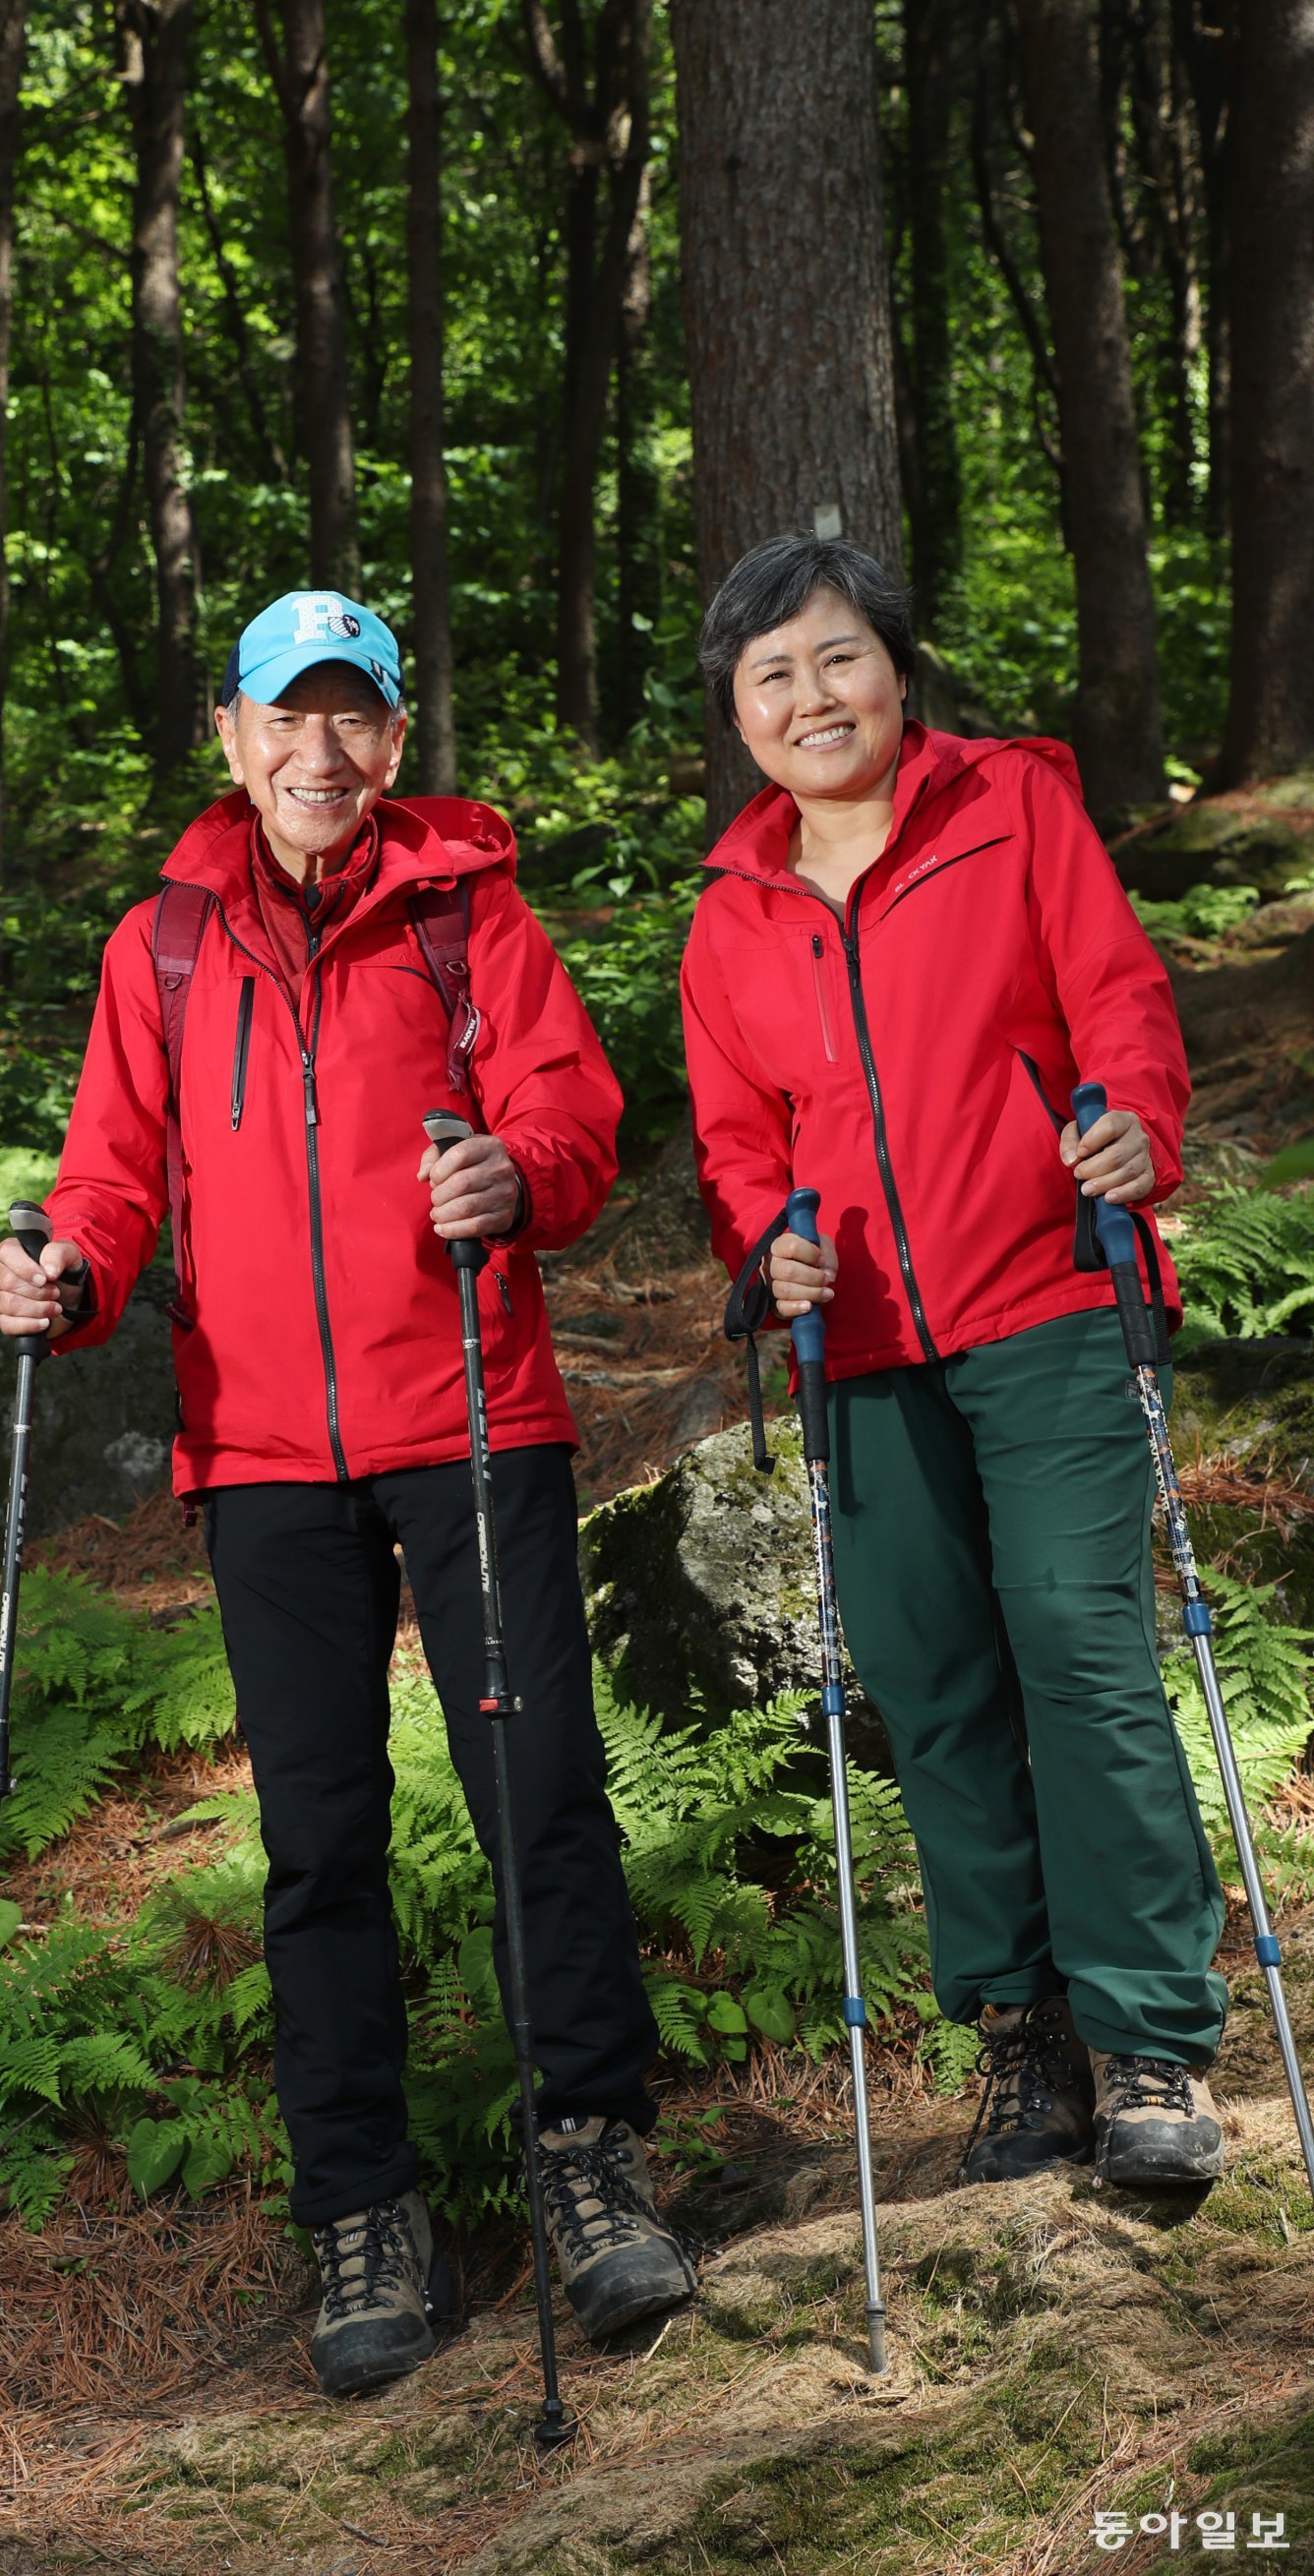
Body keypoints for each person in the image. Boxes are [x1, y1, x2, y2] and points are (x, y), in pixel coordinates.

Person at [0, 589, 693, 2395]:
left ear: (393, 742)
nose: (320, 753)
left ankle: (594, 2161)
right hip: (262, 1453)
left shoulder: (469, 913)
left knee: (538, 1791)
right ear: (230, 735)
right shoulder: (160, 946)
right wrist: (63, 1275)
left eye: (353, 720)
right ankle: (361, 2211)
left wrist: (513, 1183)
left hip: (470, 1412)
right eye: (285, 720)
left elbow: (575, 1116)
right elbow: (112, 1178)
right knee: (317, 1842)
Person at [681, 532, 1226, 2192]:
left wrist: (1135, 1125)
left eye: (837, 656)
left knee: (1076, 1640)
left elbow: (1117, 997)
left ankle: (1148, 2037)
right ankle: (1022, 2034)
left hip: (1053, 1291)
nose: (810, 695)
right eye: (772, 674)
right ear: (741, 718)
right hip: (860, 1348)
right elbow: (733, 1145)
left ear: (897, 669)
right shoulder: (729, 915)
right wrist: (760, 1241)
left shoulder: (1015, 808)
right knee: (932, 1681)